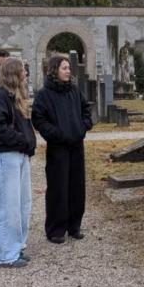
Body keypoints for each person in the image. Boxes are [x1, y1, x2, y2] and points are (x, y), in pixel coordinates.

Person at [31, 53, 92, 244]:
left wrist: (83, 126)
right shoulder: (44, 94)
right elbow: (39, 119)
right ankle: (56, 229)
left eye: (68, 68)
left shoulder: (74, 90)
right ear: (54, 70)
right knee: (58, 187)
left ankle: (74, 226)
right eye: (64, 68)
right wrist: (56, 134)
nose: (68, 71)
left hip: (76, 146)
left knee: (76, 186)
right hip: (58, 148)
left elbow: (86, 110)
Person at [0, 58, 36, 268]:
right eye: (23, 71)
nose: (26, 74)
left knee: (21, 203)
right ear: (14, 74)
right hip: (6, 156)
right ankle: (5, 254)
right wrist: (21, 141)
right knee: (7, 205)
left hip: (18, 155)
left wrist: (26, 144)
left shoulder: (15, 97)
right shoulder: (0, 96)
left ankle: (16, 246)